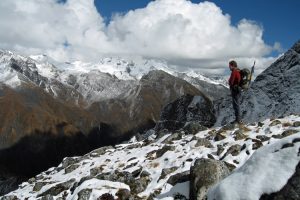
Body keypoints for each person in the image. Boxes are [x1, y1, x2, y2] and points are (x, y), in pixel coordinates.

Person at [228, 60, 242, 124]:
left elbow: (231, 81)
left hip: (235, 90)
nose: (229, 67)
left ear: (232, 65)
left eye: (229, 66)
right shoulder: (238, 71)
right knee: (236, 104)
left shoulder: (234, 72)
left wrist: (230, 83)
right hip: (238, 89)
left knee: (236, 105)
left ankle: (238, 120)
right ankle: (238, 119)